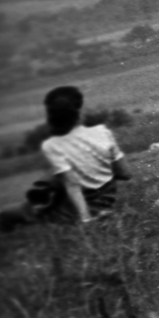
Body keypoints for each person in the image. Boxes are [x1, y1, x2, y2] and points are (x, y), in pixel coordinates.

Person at [1, 87, 130, 232]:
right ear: (79, 112)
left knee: (11, 214)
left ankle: (40, 196)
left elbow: (72, 184)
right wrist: (101, 166)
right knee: (60, 175)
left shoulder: (52, 145)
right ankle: (43, 194)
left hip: (77, 206)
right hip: (106, 200)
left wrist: (86, 219)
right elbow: (125, 173)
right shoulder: (103, 132)